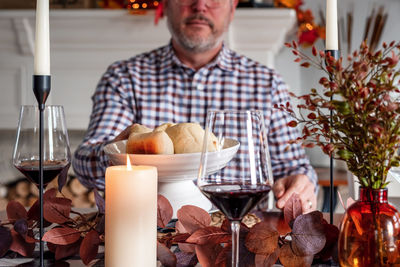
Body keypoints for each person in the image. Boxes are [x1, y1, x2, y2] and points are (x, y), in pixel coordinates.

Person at [72, 0, 318, 212]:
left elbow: (295, 169)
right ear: (166, 5)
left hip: (242, 235)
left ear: (232, 8)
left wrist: (301, 184)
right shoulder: (124, 78)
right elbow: (84, 163)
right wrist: (119, 153)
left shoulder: (267, 84)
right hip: (148, 233)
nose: (200, 5)